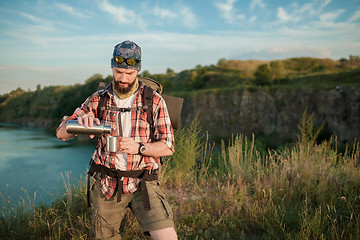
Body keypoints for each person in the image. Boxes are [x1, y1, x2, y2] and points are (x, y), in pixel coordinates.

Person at [56, 40, 178, 240]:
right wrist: (80, 121)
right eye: (118, 72)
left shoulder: (154, 100)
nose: (123, 78)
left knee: (167, 237)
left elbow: (168, 147)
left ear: (138, 70)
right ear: (112, 67)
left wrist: (139, 148)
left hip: (143, 183)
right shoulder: (98, 99)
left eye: (129, 73)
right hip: (106, 184)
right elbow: (61, 134)